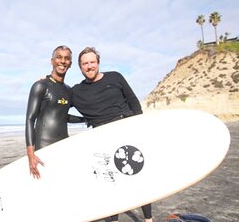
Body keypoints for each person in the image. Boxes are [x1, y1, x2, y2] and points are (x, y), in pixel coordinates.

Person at [72, 47, 153, 222]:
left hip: (126, 127)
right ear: (80, 67)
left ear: (98, 62)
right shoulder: (76, 91)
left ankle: (148, 219)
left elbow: (133, 101)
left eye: (92, 62)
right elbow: (58, 105)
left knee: (138, 176)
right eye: (85, 63)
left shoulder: (115, 77)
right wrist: (47, 82)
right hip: (101, 135)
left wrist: (140, 125)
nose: (89, 66)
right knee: (110, 181)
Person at [25, 45, 83, 179]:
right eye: (59, 57)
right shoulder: (40, 86)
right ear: (52, 61)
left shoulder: (68, 90)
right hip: (44, 146)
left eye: (66, 58)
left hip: (64, 145)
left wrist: (85, 120)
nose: (62, 61)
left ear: (70, 64)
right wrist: (31, 154)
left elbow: (62, 116)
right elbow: (30, 120)